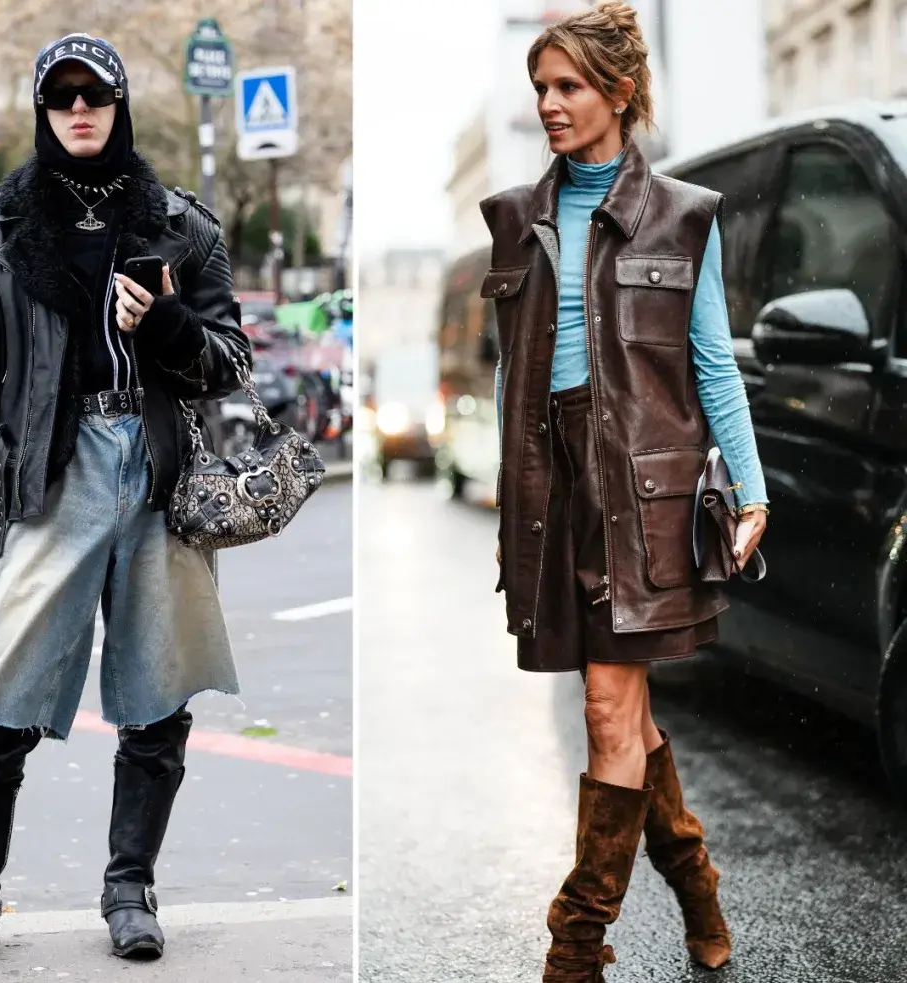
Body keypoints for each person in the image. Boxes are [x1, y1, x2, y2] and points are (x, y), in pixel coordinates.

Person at [0, 32, 251, 970]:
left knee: (158, 694)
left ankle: (130, 889)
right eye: (63, 98)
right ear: (43, 109)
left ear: (120, 105)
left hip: (159, 473)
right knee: (3, 696)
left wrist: (169, 323)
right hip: (51, 473)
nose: (80, 110)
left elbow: (228, 361)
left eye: (96, 95)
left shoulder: (182, 225)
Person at [479, 4, 769, 979]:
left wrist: (752, 488)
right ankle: (694, 875)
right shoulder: (515, 219)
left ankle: (574, 943)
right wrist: (507, 481)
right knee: (628, 719)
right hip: (552, 490)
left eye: (566, 87)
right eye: (539, 89)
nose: (548, 106)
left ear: (618, 92)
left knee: (609, 706)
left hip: (641, 491)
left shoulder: (683, 216)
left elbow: (712, 364)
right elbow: (509, 371)